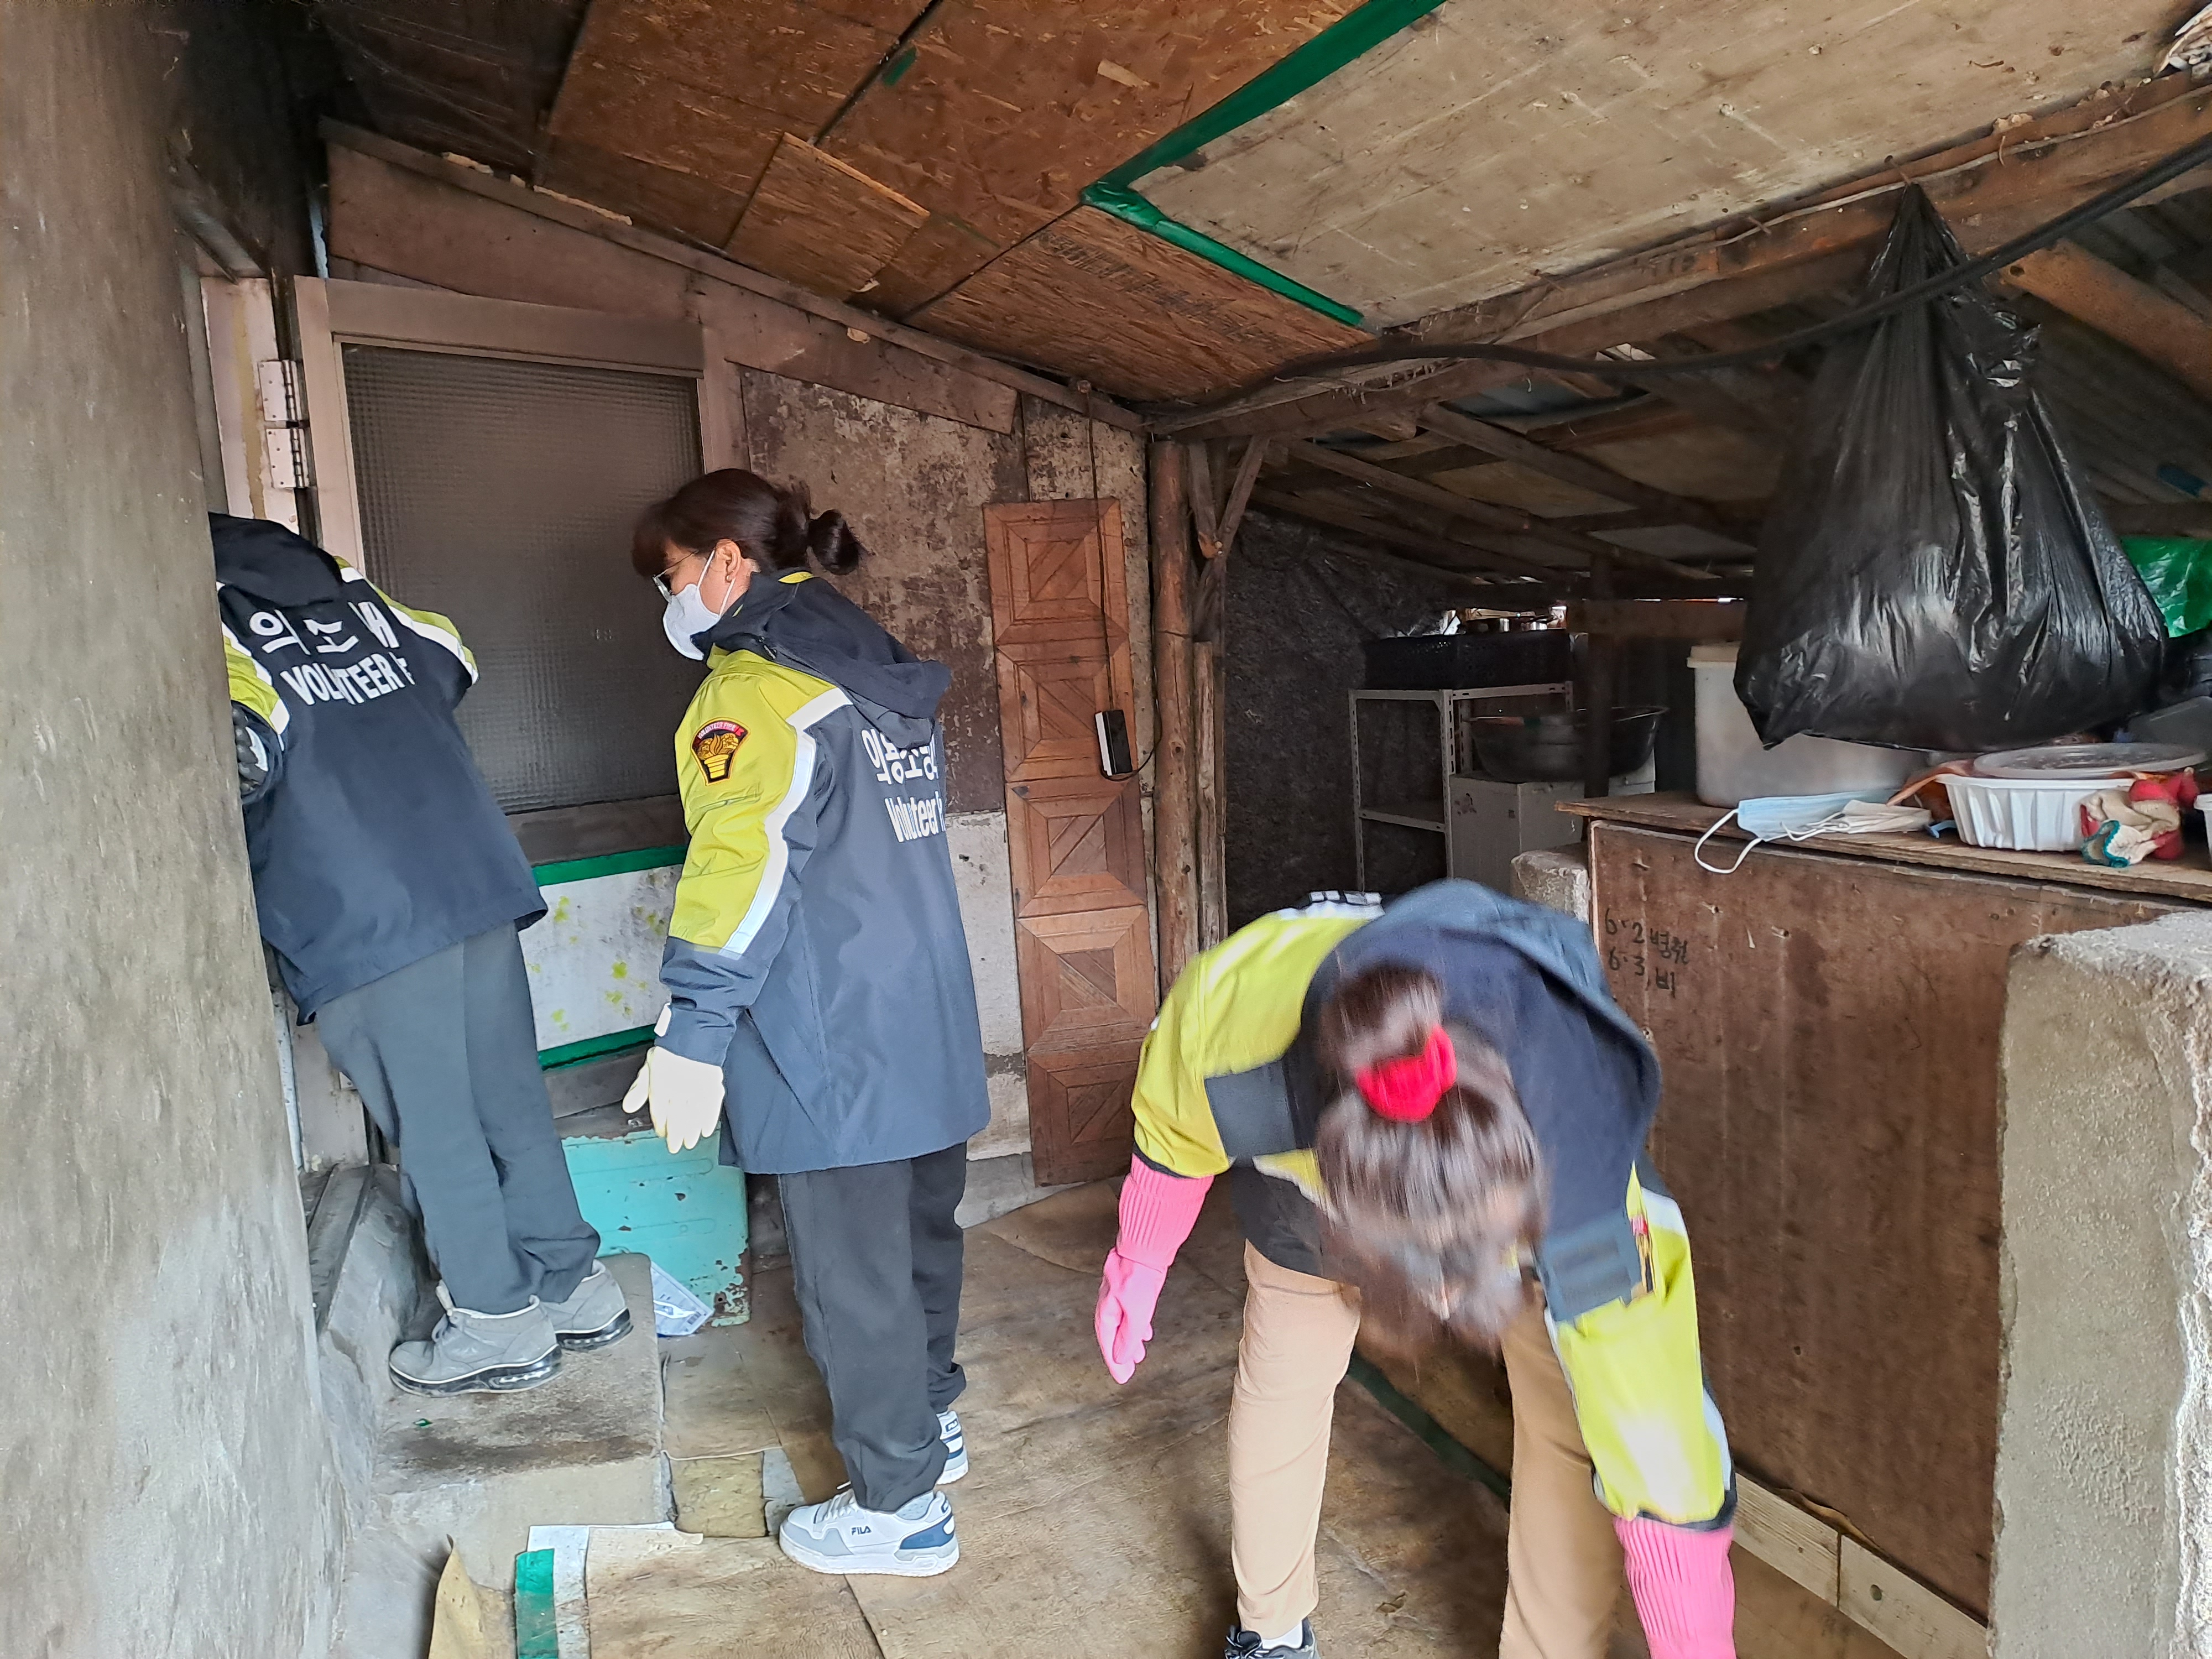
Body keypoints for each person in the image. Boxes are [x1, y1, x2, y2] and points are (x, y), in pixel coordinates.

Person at [1094, 881, 1735, 1659]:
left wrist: (1693, 1634)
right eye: (1423, 1273)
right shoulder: (1242, 1042)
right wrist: (1140, 1253)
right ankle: (1270, 1630)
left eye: (1465, 1268)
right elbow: (1173, 1119)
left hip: (1529, 1173)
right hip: (1317, 1147)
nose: (1442, 1298)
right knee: (1285, 1371)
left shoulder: (1582, 1159)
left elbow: (1654, 1428)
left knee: (1571, 1417)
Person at [619, 469, 989, 1579]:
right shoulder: (871, 667)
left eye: (672, 576)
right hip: (921, 1011)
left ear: (728, 564)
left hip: (832, 1034)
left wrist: (693, 1029)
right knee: (919, 1241)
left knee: (851, 1280)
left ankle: (900, 1508)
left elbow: (744, 863)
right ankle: (928, 1420)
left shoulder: (755, 691)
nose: (670, 600)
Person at [215, 514, 628, 1396]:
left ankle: (496, 1322)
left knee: (435, 1124)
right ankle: (573, 1285)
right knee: (510, 1098)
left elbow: (240, 749)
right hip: (467, 871)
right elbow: (451, 656)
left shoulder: (206, 616)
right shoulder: (349, 589)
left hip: (365, 899)